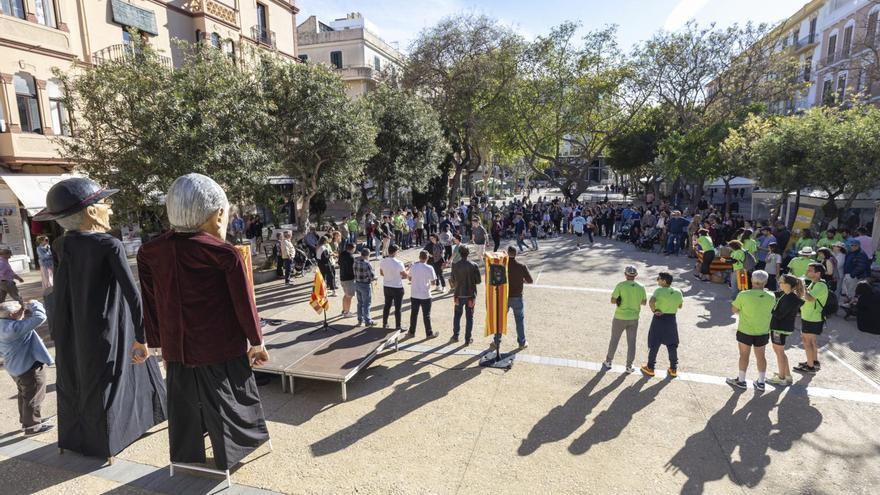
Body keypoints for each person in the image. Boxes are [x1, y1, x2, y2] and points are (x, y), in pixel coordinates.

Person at [138, 174, 269, 472]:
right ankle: (229, 453)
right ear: (218, 214)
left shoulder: (150, 251)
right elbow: (244, 304)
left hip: (176, 347)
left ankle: (186, 455)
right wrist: (256, 341)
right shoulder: (223, 253)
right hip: (220, 347)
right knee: (228, 402)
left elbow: (151, 301)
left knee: (183, 405)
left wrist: (157, 343)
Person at [35, 177, 166, 460]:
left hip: (76, 326)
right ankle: (110, 440)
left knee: (78, 379)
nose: (111, 208)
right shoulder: (109, 245)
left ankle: (77, 438)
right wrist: (143, 337)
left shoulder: (60, 244)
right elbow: (133, 294)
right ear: (92, 212)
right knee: (111, 379)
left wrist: (61, 330)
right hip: (112, 323)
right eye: (105, 203)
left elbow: (61, 291)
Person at [0, 299, 53, 435]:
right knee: (34, 396)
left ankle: (27, 421)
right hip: (28, 367)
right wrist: (34, 303)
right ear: (12, 315)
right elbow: (40, 317)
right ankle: (32, 426)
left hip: (14, 367)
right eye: (21, 310)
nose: (24, 311)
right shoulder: (14, 328)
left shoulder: (3, 325)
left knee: (24, 394)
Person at [725, 270, 776, 391]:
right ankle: (761, 382)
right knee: (761, 356)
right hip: (762, 331)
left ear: (752, 280)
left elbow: (734, 310)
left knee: (744, 355)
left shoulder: (743, 295)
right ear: (765, 282)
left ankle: (741, 380)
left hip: (745, 330)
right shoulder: (771, 296)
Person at [603, 265, 646, 373]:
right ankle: (629, 366)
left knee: (614, 339)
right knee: (631, 342)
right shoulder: (641, 287)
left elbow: (613, 300)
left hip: (620, 317)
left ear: (625, 274)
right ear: (636, 275)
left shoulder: (620, 285)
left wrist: (620, 300)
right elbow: (644, 302)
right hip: (634, 318)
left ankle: (608, 361)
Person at [641, 272, 683, 378]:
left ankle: (650, 367)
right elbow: (680, 306)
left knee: (655, 343)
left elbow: (651, 302)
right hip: (671, 319)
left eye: (658, 278)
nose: (657, 280)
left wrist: (654, 310)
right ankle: (673, 369)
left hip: (659, 318)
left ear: (664, 281)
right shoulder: (678, 291)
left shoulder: (659, 290)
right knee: (672, 344)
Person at [766, 274, 805, 386]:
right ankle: (787, 375)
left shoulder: (791, 299)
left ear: (788, 285)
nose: (779, 283)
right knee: (780, 352)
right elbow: (776, 293)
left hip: (780, 328)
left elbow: (780, 314)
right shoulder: (786, 294)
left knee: (779, 353)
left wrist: (769, 308)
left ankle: (781, 377)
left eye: (781, 282)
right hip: (780, 327)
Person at [794, 263, 828, 374]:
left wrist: (802, 285)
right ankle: (813, 361)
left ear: (818, 273)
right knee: (812, 341)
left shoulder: (820, 286)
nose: (807, 272)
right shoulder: (814, 283)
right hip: (810, 317)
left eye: (810, 270)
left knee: (806, 341)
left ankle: (810, 367)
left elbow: (809, 298)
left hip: (812, 318)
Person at [449, 245, 482, 345]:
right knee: (469, 317)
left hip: (458, 294)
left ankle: (455, 336)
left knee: (457, 316)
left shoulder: (455, 265)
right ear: (468, 253)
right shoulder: (474, 265)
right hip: (470, 294)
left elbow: (452, 280)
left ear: (459, 253)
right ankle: (467, 339)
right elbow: (478, 281)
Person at [506, 246, 534, 350]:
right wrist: (522, 281)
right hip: (517, 296)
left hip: (505, 296)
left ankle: (496, 340)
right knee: (519, 320)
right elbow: (530, 280)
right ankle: (522, 342)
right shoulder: (521, 266)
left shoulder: (503, 265)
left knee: (500, 319)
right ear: (516, 254)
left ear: (508, 253)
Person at [407, 250, 437, 338]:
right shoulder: (429, 268)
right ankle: (429, 333)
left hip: (415, 294)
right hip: (425, 294)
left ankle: (411, 332)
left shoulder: (413, 266)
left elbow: (409, 278)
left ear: (419, 257)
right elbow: (433, 283)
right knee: (426, 315)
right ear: (427, 258)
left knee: (414, 314)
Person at [379, 244, 407, 331]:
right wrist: (408, 269)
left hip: (387, 286)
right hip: (397, 287)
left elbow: (381, 273)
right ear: (395, 252)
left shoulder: (383, 261)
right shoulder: (399, 263)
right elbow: (405, 276)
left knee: (387, 305)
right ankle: (398, 326)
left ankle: (385, 323)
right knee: (398, 308)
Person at [353, 247, 377, 327]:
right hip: (365, 285)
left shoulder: (355, 261)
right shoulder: (367, 264)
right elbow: (372, 277)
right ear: (368, 255)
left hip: (357, 283)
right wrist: (375, 277)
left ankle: (360, 320)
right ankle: (367, 321)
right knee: (367, 303)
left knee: (360, 303)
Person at [841, 241, 871, 306]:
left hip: (855, 276)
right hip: (849, 275)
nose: (853, 247)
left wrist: (853, 274)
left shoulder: (861, 254)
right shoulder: (850, 252)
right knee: (848, 291)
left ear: (858, 246)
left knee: (853, 292)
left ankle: (850, 305)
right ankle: (848, 303)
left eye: (855, 245)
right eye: (852, 245)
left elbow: (861, 266)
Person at [338, 242, 356, 317]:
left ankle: (344, 310)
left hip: (342, 277)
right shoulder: (351, 257)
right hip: (349, 279)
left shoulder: (342, 254)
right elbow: (352, 269)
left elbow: (339, 263)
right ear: (353, 248)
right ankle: (347, 312)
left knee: (346, 295)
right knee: (349, 296)